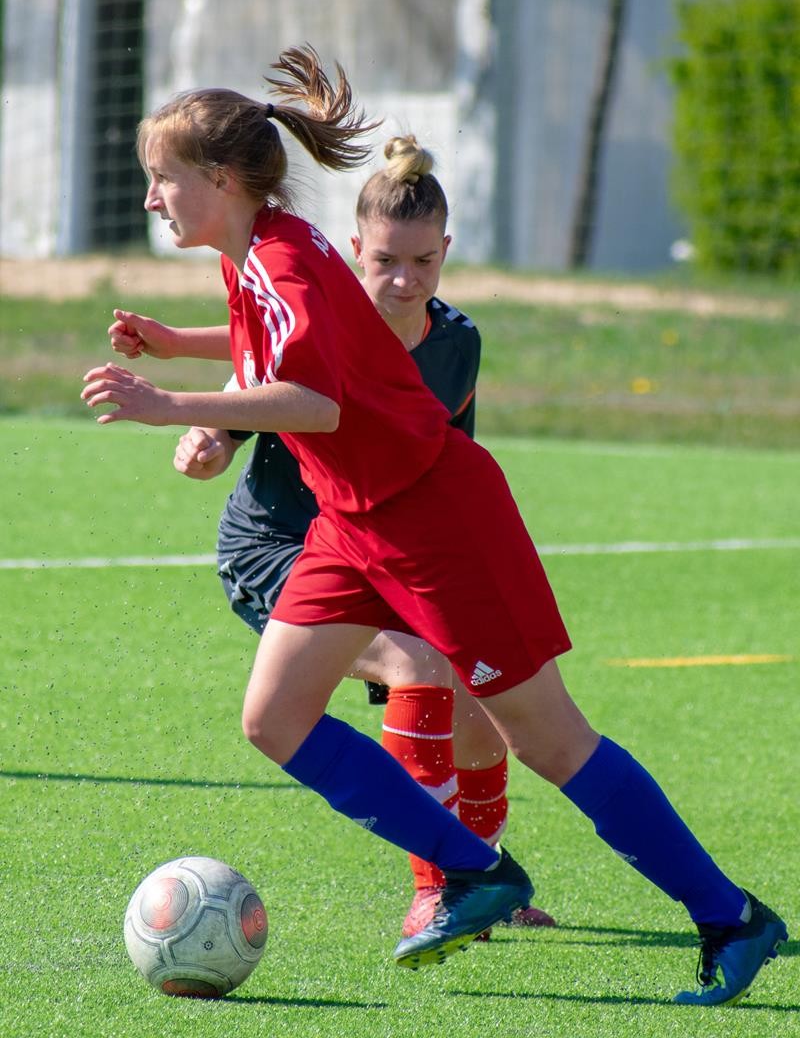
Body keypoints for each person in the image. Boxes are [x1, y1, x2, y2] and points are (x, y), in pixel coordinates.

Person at [82, 45, 786, 1006]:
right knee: (275, 719)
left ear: (219, 180)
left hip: (437, 517)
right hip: (353, 523)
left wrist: (168, 403)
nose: (151, 197)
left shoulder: (282, 259)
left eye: (162, 177)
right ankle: (472, 871)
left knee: (548, 739)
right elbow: (298, 344)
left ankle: (731, 917)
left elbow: (316, 401)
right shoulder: (262, 249)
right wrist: (176, 344)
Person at [108, 133, 556, 938]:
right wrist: (214, 438)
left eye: (422, 261)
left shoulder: (457, 343)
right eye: (385, 260)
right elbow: (268, 377)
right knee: (419, 665)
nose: (403, 278)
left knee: (476, 690)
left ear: (447, 252)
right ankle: (441, 886)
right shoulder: (320, 310)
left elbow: (439, 456)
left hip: (383, 548)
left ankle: (490, 876)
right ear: (354, 252)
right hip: (282, 544)